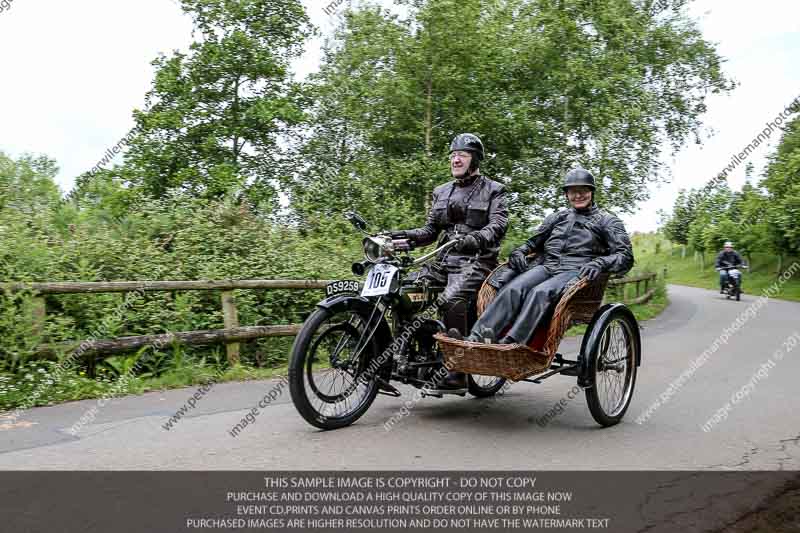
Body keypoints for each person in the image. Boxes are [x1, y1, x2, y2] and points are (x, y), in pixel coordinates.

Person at [460, 168, 633, 345]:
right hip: (547, 266)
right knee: (513, 288)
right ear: (566, 194)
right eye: (573, 191)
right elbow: (532, 243)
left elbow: (625, 256)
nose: (578, 195)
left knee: (540, 292)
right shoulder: (557, 218)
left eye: (583, 190)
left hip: (577, 271)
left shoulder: (607, 221)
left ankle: (513, 342)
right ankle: (479, 337)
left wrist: (601, 262)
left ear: (591, 191)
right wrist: (519, 251)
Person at [391, 133, 509, 389]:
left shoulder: (494, 190)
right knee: (407, 292)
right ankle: (416, 354)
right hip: (443, 260)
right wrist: (403, 236)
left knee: (452, 298)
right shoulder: (441, 191)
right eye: (453, 155)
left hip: (477, 261)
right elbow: (430, 231)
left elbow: (498, 225)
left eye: (462, 155)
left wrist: (476, 239)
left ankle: (458, 371)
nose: (456, 159)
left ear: (475, 159)